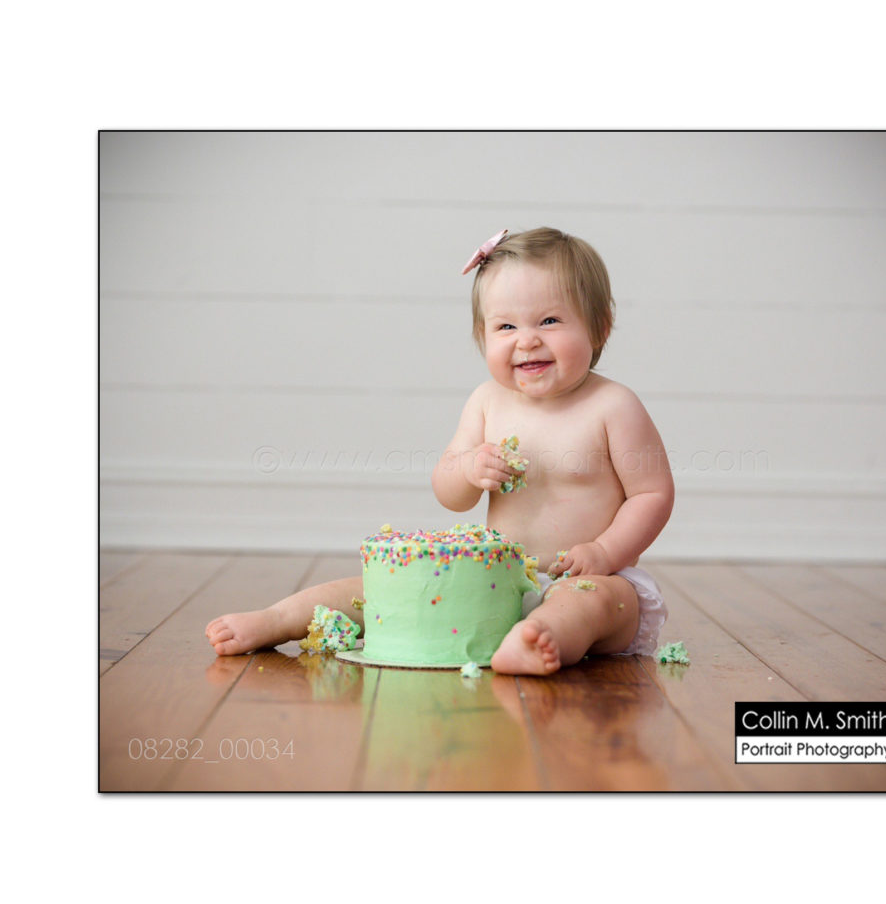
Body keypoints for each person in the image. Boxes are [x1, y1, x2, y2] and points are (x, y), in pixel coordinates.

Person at [206, 227, 674, 675]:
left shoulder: (613, 406)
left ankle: (538, 639)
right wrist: (469, 469)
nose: (527, 339)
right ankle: (279, 619)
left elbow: (652, 494)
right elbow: (450, 493)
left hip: (596, 577)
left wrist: (604, 552)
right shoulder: (487, 402)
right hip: (496, 580)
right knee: (385, 591)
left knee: (586, 604)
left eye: (549, 321)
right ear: (483, 336)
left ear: (600, 327)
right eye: (505, 325)